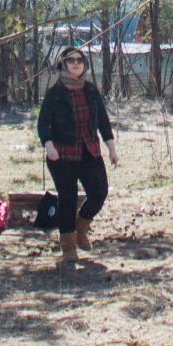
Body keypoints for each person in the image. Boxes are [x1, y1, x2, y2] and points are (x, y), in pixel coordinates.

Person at [37, 44, 118, 268]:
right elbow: (43, 124)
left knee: (99, 192)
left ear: (84, 65)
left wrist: (111, 148)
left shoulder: (91, 90)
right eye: (71, 60)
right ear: (63, 64)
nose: (75, 63)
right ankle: (69, 246)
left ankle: (81, 226)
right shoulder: (54, 93)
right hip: (62, 154)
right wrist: (49, 146)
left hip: (89, 150)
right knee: (68, 198)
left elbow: (103, 121)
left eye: (79, 60)